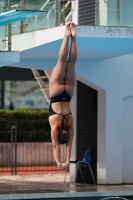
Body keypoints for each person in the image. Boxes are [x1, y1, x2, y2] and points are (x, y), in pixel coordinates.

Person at [49, 22, 77, 170]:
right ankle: (66, 36)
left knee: (71, 63)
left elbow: (68, 146)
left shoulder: (70, 121)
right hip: (56, 93)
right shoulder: (55, 124)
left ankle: (73, 37)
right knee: (61, 62)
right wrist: (58, 161)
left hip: (69, 93)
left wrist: (66, 161)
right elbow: (55, 146)